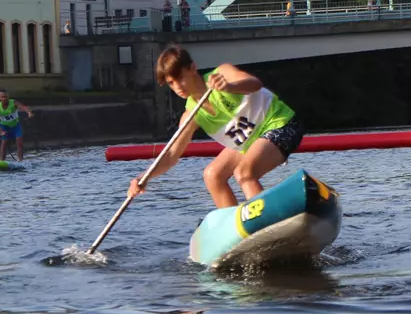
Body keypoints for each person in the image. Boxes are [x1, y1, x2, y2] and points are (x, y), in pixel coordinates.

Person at [127, 45, 302, 209]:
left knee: (244, 173)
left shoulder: (222, 73)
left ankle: (269, 219)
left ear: (193, 68)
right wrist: (144, 177)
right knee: (212, 175)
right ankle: (235, 231)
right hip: (252, 140)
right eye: (171, 83)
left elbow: (255, 84)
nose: (178, 87)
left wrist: (230, 87)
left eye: (180, 78)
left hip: (282, 124)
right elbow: (171, 155)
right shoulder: (191, 115)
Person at [0, 89, 35, 161]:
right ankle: (2, 161)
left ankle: (20, 160)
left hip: (16, 126)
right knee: (4, 143)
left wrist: (29, 112)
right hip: (4, 127)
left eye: (6, 97)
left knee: (19, 142)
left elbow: (23, 107)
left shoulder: (13, 102)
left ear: (8, 97)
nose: (4, 99)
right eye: (2, 97)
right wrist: (1, 131)